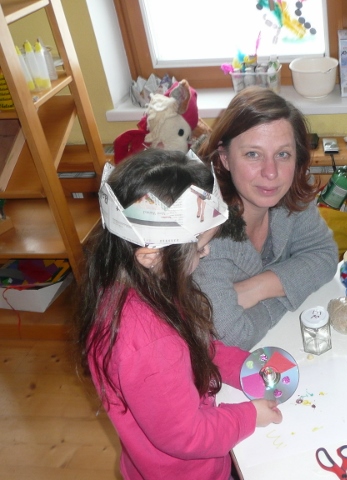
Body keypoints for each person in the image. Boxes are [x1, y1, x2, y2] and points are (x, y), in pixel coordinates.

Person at [73, 149, 282, 480]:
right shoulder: (149, 341)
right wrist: (248, 415)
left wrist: (245, 367)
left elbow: (195, 346)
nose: (206, 252)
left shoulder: (143, 286)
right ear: (151, 255)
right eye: (198, 248)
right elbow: (188, 435)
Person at [196, 86, 338, 350]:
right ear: (225, 158)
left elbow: (325, 255)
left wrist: (257, 288)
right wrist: (291, 287)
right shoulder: (206, 231)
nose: (271, 173)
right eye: (253, 154)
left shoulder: (289, 191)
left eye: (283, 154)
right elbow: (232, 336)